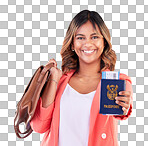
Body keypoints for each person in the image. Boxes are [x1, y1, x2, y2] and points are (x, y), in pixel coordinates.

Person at [30, 10, 133, 146]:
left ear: (104, 42)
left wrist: (124, 107)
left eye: (94, 37)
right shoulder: (59, 81)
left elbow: (122, 110)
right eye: (80, 37)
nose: (88, 43)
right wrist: (53, 79)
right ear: (72, 44)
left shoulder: (118, 81)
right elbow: (39, 127)